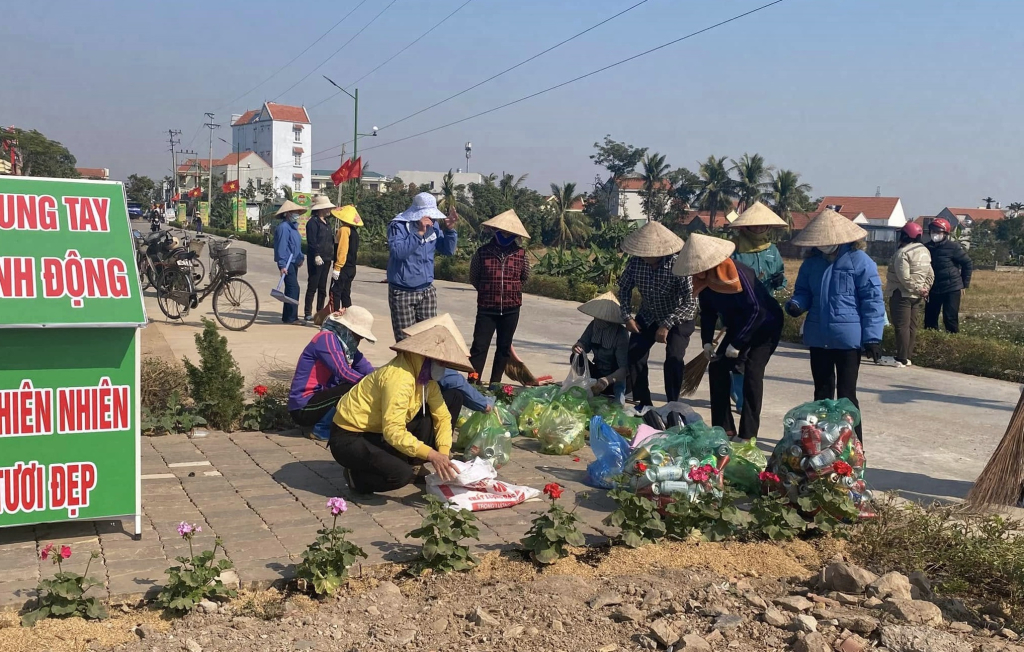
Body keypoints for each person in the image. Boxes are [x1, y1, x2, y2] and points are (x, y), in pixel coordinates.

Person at [329, 319, 473, 494]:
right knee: (400, 475)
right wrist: (431, 455)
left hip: (378, 430)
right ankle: (357, 478)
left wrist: (443, 452)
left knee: (451, 399)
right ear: (427, 358)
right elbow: (393, 432)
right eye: (440, 362)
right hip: (350, 436)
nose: (443, 367)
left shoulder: (426, 379)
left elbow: (442, 416)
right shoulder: (399, 378)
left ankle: (411, 463)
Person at [785, 209, 886, 441]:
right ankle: (822, 441)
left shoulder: (861, 262)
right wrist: (796, 305)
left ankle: (854, 444)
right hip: (818, 337)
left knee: (847, 395)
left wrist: (872, 337)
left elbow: (872, 300)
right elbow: (803, 292)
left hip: (848, 339)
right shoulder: (811, 264)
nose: (823, 245)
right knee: (821, 394)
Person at [675, 234, 783, 441]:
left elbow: (757, 311)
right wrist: (706, 341)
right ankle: (724, 428)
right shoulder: (703, 280)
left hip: (766, 325)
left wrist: (737, 343)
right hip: (738, 326)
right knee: (717, 367)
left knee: (752, 373)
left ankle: (747, 434)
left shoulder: (739, 273)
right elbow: (707, 313)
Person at [616, 221, 697, 407]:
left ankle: (672, 405)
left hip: (678, 316)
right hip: (649, 314)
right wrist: (627, 316)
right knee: (635, 354)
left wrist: (667, 325)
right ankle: (644, 403)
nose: (645, 257)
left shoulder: (678, 264)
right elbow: (625, 288)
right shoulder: (636, 262)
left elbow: (691, 301)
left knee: (674, 358)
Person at [728, 201, 789, 412]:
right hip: (740, 311)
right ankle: (739, 397)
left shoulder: (773, 251)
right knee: (738, 357)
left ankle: (744, 393)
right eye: (754, 226)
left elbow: (781, 279)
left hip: (765, 313)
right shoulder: (734, 249)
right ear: (745, 227)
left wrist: (778, 279)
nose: (758, 229)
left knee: (754, 361)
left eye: (762, 226)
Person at [468, 209, 531, 386]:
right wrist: (488, 290)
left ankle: (495, 383)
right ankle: (473, 382)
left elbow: (525, 277)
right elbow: (474, 277)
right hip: (487, 309)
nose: (505, 235)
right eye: (502, 232)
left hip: (511, 309)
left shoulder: (521, 254)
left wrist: (511, 290)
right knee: (479, 347)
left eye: (509, 233)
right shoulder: (482, 252)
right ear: (495, 231)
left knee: (504, 348)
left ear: (514, 235)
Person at [287, 307, 376, 427]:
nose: (358, 340)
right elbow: (343, 371)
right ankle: (322, 428)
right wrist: (370, 385)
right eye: (357, 336)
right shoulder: (326, 339)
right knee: (353, 387)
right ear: (347, 329)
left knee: (362, 385)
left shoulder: (346, 346)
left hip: (320, 400)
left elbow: (366, 369)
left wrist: (380, 380)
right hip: (304, 407)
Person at [386, 192, 458, 341]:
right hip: (402, 291)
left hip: (426, 290)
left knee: (428, 339)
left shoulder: (434, 225)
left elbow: (447, 250)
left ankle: (424, 366)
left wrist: (450, 230)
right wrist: (418, 233)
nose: (430, 218)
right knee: (406, 341)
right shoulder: (398, 226)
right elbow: (398, 253)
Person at [404, 314, 494, 419]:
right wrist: (484, 404)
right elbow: (455, 382)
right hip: (408, 415)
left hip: (416, 407)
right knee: (456, 396)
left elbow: (443, 417)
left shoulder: (416, 358)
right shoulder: (427, 364)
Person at [887, 222, 935, 367]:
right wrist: (924, 288)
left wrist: (916, 289)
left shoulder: (903, 253)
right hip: (918, 295)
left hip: (901, 294)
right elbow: (930, 273)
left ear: (905, 235)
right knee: (912, 326)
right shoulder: (925, 251)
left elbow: (904, 278)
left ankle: (901, 357)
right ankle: (908, 357)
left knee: (901, 326)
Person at [572, 291, 629, 405]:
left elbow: (624, 369)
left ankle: (618, 399)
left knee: (622, 380)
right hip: (597, 374)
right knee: (575, 357)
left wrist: (608, 380)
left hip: (614, 379)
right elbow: (583, 343)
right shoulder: (593, 325)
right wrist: (578, 347)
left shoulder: (621, 334)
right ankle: (588, 387)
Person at [924, 217, 972, 334]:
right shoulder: (926, 247)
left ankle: (953, 343)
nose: (935, 234)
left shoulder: (953, 247)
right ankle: (931, 343)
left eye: (938, 232)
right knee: (930, 319)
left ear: (945, 233)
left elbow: (967, 263)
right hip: (933, 288)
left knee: (950, 318)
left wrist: (964, 284)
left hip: (951, 288)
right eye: (933, 231)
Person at [303, 196, 337, 323]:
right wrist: (316, 254)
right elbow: (311, 241)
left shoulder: (327, 223)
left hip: (327, 258)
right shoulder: (313, 223)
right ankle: (307, 312)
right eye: (326, 208)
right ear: (320, 209)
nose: (329, 210)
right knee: (313, 285)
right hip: (316, 258)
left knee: (322, 287)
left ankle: (319, 312)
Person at [273, 200, 306, 324]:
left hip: (293, 262)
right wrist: (282, 265)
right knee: (293, 288)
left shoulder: (293, 227)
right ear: (287, 213)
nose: (297, 214)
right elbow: (281, 247)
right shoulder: (283, 228)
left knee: (290, 289)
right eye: (295, 212)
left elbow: (296, 246)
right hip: (286, 262)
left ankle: (287, 317)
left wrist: (301, 257)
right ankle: (291, 317)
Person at [331, 205, 364, 311]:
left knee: (335, 292)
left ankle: (334, 317)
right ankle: (348, 316)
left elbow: (342, 249)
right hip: (351, 267)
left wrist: (337, 267)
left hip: (343, 267)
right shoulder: (354, 232)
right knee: (345, 293)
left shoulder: (344, 230)